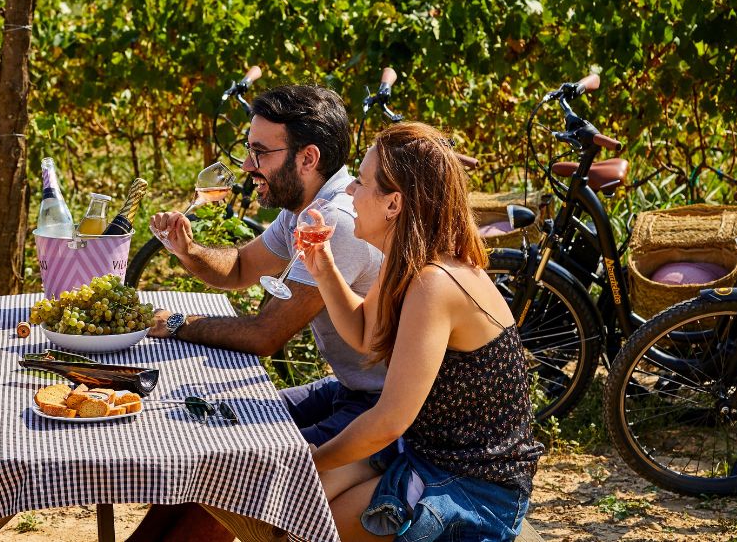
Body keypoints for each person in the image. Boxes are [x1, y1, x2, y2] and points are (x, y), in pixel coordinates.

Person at [129, 85, 384, 542]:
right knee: (207, 428)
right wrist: (188, 250)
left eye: (260, 152)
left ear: (307, 158)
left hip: (379, 407)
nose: (248, 166)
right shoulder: (302, 208)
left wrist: (175, 324)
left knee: (237, 468)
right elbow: (242, 268)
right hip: (348, 389)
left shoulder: (338, 221)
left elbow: (266, 336)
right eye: (250, 150)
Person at [304, 122, 544, 542]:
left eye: (360, 182)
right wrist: (324, 267)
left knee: (311, 523)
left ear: (393, 203)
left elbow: (388, 421)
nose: (348, 193)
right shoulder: (410, 262)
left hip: (476, 485)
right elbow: (363, 331)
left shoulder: (434, 283)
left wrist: (311, 460)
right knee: (301, 501)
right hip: (429, 453)